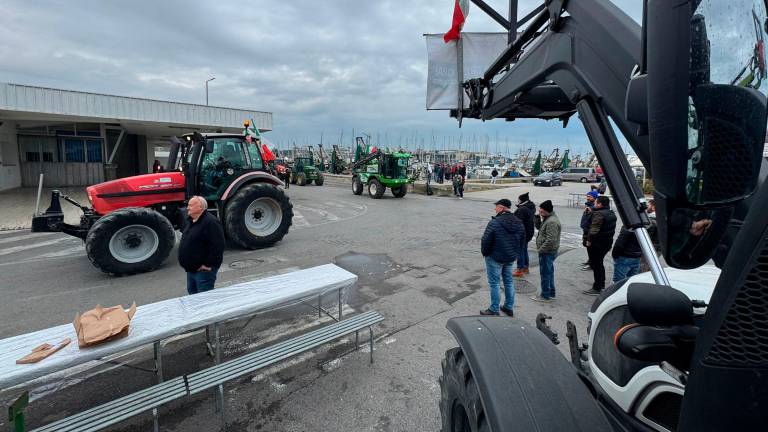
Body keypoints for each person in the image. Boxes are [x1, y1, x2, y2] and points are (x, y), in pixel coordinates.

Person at [480, 199, 525, 316]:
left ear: (501, 207)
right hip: (510, 257)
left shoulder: (495, 222)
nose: (495, 209)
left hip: (495, 257)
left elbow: (486, 240)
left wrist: (485, 253)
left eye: (496, 207)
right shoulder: (518, 222)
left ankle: (494, 309)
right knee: (508, 282)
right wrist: (515, 254)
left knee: (494, 283)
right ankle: (508, 307)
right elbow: (522, 241)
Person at [178, 196, 226, 295]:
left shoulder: (210, 222)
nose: (187, 208)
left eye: (190, 205)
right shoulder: (191, 221)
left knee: (204, 300)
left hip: (203, 271)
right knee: (193, 296)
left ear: (200, 207)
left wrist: (208, 264)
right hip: (191, 270)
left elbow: (218, 245)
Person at [583, 196, 617, 295]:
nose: (594, 204)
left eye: (596, 202)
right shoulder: (610, 213)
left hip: (597, 244)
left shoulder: (599, 214)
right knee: (599, 264)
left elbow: (594, 230)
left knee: (596, 265)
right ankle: (600, 284)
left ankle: (597, 287)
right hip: (606, 243)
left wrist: (589, 241)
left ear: (600, 204)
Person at [532, 200, 561, 302]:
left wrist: (541, 250)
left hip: (547, 252)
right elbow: (542, 230)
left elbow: (551, 240)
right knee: (549, 273)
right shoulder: (548, 218)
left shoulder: (551, 221)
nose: (539, 211)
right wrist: (537, 220)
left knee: (545, 274)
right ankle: (551, 293)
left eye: (541, 210)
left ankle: (545, 296)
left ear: (546, 211)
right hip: (548, 251)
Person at [512, 192, 536, 276]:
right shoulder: (531, 206)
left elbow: (518, 222)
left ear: (522, 200)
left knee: (520, 250)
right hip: (529, 231)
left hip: (522, 233)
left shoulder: (522, 209)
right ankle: (525, 267)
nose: (517, 201)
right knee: (524, 249)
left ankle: (520, 269)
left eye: (518, 199)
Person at [580, 190, 599, 271]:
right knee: (588, 246)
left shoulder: (594, 207)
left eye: (590, 197)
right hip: (586, 229)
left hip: (590, 230)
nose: (588, 198)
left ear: (594, 198)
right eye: (587, 196)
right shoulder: (588, 205)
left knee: (591, 247)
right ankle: (590, 260)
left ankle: (592, 264)